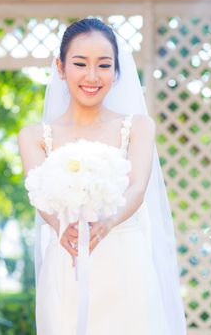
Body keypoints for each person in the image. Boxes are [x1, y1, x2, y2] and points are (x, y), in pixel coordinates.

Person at [18, 18, 187, 335]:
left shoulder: (137, 127)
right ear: (61, 67)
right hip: (68, 261)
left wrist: (108, 223)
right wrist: (61, 226)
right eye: (80, 63)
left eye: (104, 65)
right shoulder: (34, 137)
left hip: (125, 259)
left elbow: (137, 188)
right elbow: (40, 195)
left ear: (117, 71)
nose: (92, 76)